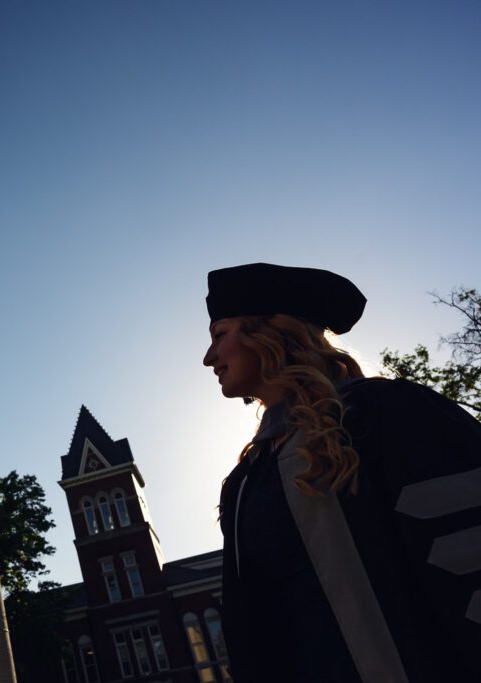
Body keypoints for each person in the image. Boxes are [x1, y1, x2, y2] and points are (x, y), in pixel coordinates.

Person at [202, 263, 481, 682]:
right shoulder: (244, 484)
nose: (208, 358)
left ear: (270, 332)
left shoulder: (388, 414)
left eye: (219, 335)